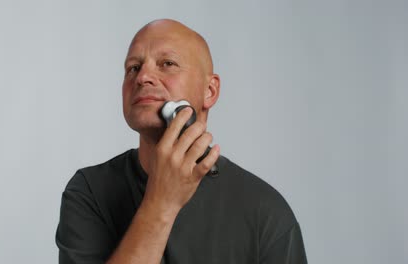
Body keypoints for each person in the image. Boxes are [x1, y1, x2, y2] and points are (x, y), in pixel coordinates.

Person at [56, 19, 307, 264]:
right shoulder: (89, 191)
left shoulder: (264, 211)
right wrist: (162, 202)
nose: (143, 77)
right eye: (133, 67)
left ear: (209, 91)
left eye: (167, 63)